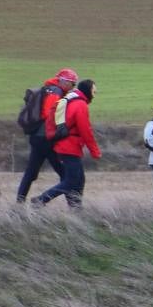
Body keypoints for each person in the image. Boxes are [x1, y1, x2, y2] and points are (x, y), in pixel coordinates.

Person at [31, 79, 101, 210]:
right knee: (72, 181)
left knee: (78, 179)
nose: (94, 94)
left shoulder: (71, 100)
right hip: (70, 147)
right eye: (94, 91)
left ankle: (76, 209)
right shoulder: (80, 105)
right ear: (88, 91)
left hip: (65, 146)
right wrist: (95, 151)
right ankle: (41, 200)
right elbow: (85, 130)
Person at [15, 67, 77, 204]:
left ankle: (19, 203)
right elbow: (50, 114)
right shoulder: (56, 92)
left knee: (31, 173)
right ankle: (73, 206)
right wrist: (63, 128)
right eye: (72, 84)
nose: (73, 87)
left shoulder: (48, 88)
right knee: (65, 174)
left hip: (37, 137)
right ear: (64, 81)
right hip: (47, 139)